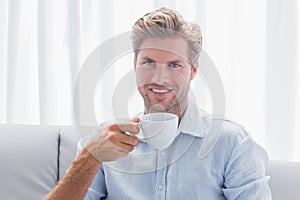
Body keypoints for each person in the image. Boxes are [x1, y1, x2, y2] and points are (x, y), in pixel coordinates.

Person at [44, 7, 271, 200]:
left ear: (193, 70)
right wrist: (90, 157)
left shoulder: (232, 143)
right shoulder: (103, 140)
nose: (159, 78)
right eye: (149, 62)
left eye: (174, 65)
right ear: (135, 64)